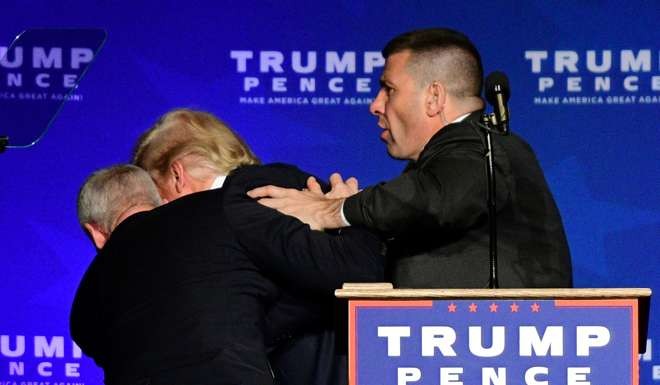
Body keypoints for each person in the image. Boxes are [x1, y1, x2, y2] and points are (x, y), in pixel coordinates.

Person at [248, 27, 573, 289]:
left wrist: (337, 211)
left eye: (389, 89)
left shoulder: (484, 147)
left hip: (499, 357)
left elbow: (439, 198)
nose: (375, 105)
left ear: (434, 97)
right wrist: (349, 223)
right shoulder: (440, 164)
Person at [71, 164, 382, 385]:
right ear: (158, 199)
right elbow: (348, 277)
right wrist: (346, 212)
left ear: (95, 233)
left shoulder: (83, 305)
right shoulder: (224, 210)